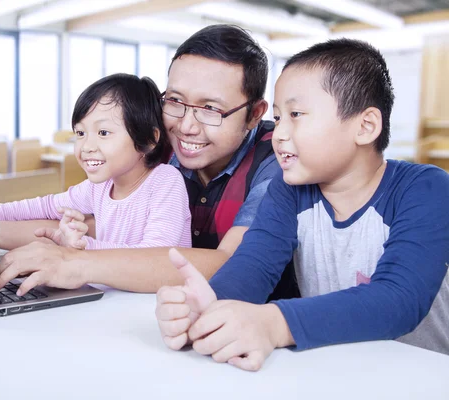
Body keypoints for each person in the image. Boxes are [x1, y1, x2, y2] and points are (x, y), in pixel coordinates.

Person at [0, 25, 298, 297]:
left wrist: (75, 261)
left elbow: (228, 264)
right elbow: (87, 223)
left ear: (254, 114)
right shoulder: (158, 143)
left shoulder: (275, 159)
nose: (186, 126)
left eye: (211, 109)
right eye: (174, 100)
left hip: (244, 328)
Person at [155, 38, 449, 371]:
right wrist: (210, 306)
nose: (279, 134)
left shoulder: (424, 188)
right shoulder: (289, 189)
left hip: (426, 377)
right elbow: (252, 268)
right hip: (333, 374)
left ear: (365, 126)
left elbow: (399, 300)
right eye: (279, 118)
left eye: (296, 115)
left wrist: (275, 323)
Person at [0, 73, 192, 269]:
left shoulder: (165, 182)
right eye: (80, 133)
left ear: (148, 139)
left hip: (154, 306)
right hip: (117, 297)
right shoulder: (100, 187)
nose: (87, 146)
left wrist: (79, 247)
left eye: (103, 133)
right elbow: (43, 206)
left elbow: (156, 257)